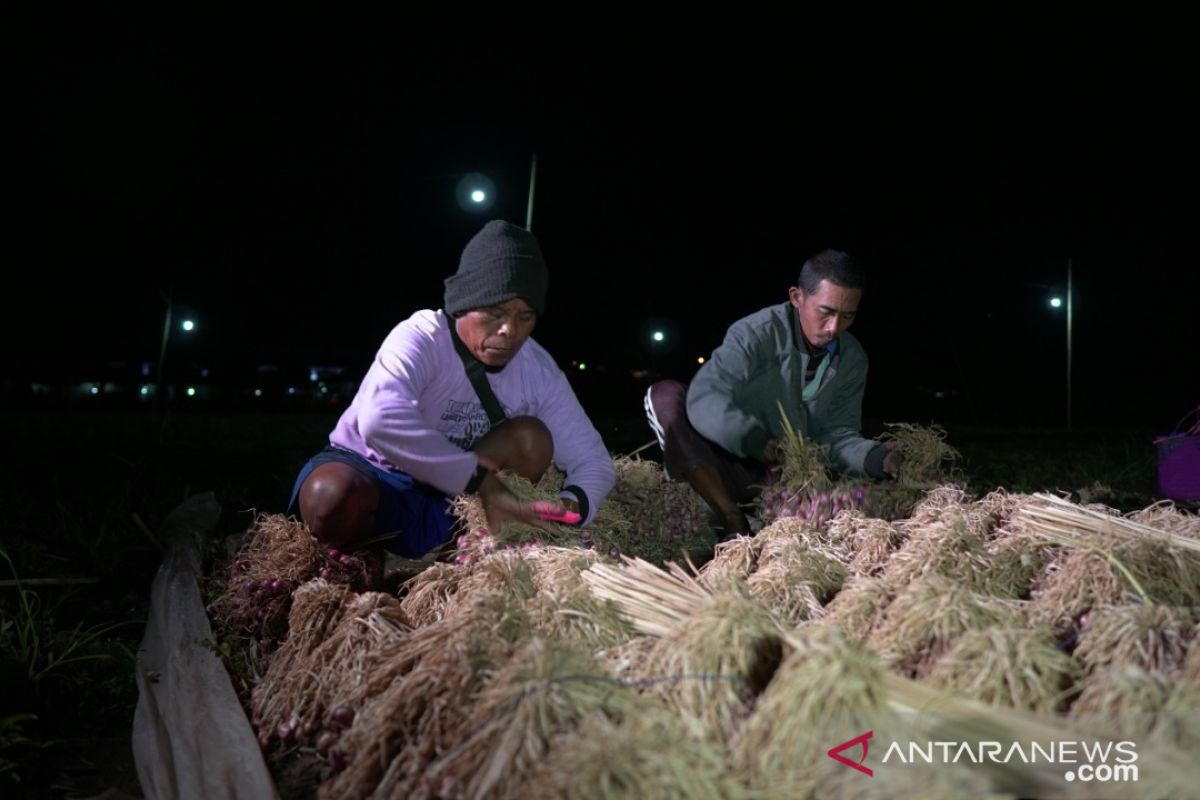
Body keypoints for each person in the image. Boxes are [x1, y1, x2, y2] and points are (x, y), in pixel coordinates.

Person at [287, 220, 616, 562]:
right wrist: (482, 483)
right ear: (464, 304)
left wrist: (568, 508)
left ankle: (455, 561)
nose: (510, 331)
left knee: (529, 439)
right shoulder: (421, 337)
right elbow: (379, 420)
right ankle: (363, 557)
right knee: (330, 496)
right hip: (377, 475)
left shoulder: (538, 368)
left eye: (525, 316)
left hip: (451, 499)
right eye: (495, 312)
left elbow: (593, 461)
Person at [644, 248, 900, 538]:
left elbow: (838, 435)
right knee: (665, 395)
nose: (834, 328)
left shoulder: (852, 358)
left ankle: (766, 517)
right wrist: (756, 440)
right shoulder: (756, 333)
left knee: (866, 499)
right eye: (826, 313)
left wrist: (876, 458)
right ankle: (730, 516)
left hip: (780, 479)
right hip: (726, 462)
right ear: (796, 297)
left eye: (848, 316)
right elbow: (705, 397)